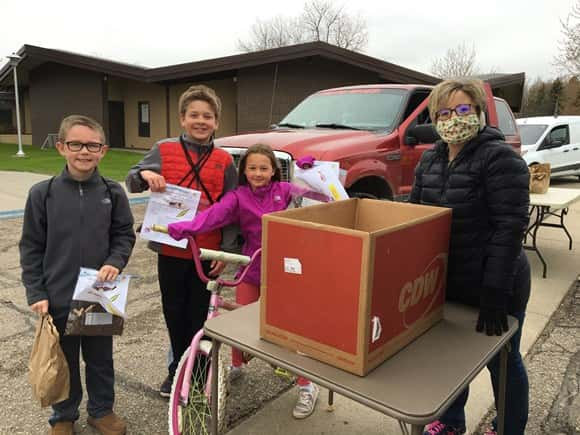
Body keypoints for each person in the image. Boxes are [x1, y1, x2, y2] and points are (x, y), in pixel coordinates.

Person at [168, 144, 329, 420]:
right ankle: (237, 365)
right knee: (240, 322)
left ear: (274, 171)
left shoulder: (286, 191)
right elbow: (214, 215)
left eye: (263, 168)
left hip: (285, 268)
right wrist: (186, 228)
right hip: (252, 266)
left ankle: (306, 386)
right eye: (252, 168)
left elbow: (324, 201)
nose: (257, 173)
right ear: (244, 171)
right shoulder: (238, 197)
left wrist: (313, 174)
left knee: (288, 328)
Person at [409, 78, 531, 435]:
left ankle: (510, 428)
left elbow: (509, 228)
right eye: (445, 112)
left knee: (503, 363)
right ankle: (450, 422)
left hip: (497, 284)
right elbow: (416, 215)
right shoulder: (430, 158)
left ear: (479, 113)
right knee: (450, 360)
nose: (453, 119)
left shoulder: (500, 158)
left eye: (463, 109)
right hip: (452, 282)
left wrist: (495, 294)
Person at [20, 115, 136, 435]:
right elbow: (30, 247)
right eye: (76, 144)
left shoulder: (113, 194)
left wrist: (115, 260)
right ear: (61, 148)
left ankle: (101, 411)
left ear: (103, 150)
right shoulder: (42, 194)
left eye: (92, 145)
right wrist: (36, 291)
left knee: (100, 359)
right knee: (65, 360)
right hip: (57, 294)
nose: (84, 151)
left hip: (100, 293)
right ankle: (64, 415)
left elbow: (124, 235)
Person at [125, 85, 238, 398]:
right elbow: (132, 179)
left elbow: (232, 206)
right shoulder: (163, 149)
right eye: (194, 115)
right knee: (174, 313)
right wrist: (147, 174)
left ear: (216, 122)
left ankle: (199, 377)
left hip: (207, 250)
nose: (200, 121)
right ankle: (177, 373)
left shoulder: (225, 160)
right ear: (182, 119)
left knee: (200, 318)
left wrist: (226, 251)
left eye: (208, 116)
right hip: (171, 249)